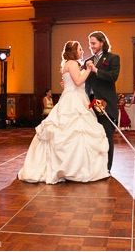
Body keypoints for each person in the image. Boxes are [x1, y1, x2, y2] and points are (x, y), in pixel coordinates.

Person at [18, 41, 110, 184]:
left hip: (73, 97)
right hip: (73, 101)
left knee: (74, 132)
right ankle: (75, 169)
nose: (82, 51)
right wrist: (88, 69)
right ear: (73, 51)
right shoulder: (72, 63)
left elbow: (70, 83)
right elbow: (78, 82)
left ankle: (73, 167)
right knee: (74, 131)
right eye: (80, 49)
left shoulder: (68, 64)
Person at [85, 31, 120, 171]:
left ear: (102, 43)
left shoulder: (113, 58)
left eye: (93, 43)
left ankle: (107, 169)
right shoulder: (89, 60)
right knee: (93, 138)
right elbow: (83, 80)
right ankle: (95, 168)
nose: (91, 46)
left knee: (106, 137)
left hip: (106, 105)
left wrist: (96, 70)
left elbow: (113, 77)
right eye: (90, 44)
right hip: (90, 105)